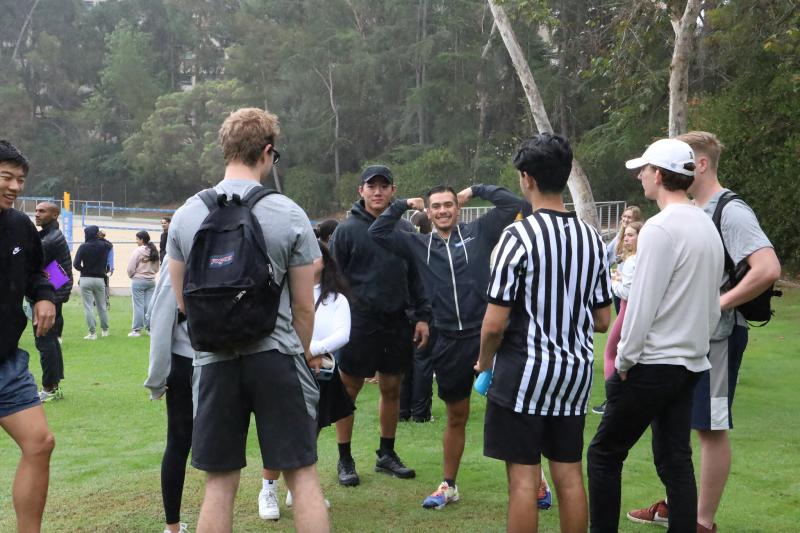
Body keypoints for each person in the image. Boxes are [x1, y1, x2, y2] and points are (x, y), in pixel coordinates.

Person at [167, 107, 329, 533]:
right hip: (276, 355)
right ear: (267, 152)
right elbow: (303, 307)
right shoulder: (288, 213)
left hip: (214, 360)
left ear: (225, 149)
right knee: (303, 475)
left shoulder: (186, 215)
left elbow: (184, 302)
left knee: (219, 484)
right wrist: (303, 352)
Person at [626, 132, 781, 533]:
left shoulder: (731, 210)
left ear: (701, 165)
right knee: (683, 426)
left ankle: (701, 520)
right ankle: (678, 506)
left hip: (718, 336)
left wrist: (719, 304)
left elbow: (767, 268)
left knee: (710, 427)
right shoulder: (694, 210)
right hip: (691, 340)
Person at [476, 133, 612, 533]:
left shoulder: (517, 236)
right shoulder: (591, 238)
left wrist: (484, 361)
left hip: (524, 373)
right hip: (574, 374)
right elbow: (604, 320)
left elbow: (494, 323)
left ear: (526, 178)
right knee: (569, 474)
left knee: (523, 479)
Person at [587, 138, 724, 533]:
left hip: (653, 363)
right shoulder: (704, 223)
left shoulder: (661, 229)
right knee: (673, 457)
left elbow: (642, 305)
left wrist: (624, 361)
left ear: (660, 175)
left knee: (604, 454)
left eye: (645, 169)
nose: (641, 175)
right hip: (690, 363)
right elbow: (712, 304)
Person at [369, 182, 523, 509]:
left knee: (512, 411)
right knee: (457, 414)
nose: (442, 211)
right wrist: (400, 204)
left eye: (448, 205)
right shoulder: (417, 243)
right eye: (435, 206)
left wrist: (477, 189)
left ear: (458, 207)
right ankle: (449, 485)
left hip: (488, 336)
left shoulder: (479, 232)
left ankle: (534, 483)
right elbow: (378, 233)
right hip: (447, 340)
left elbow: (514, 205)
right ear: (427, 211)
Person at [329, 164, 431, 488]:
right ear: (360, 191)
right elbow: (332, 279)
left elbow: (417, 278)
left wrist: (423, 317)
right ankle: (345, 459)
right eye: (371, 186)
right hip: (358, 322)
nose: (377, 192)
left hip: (397, 320)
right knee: (348, 390)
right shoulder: (345, 231)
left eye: (383, 186)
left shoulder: (404, 231)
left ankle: (386, 454)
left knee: (392, 388)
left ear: (393, 190)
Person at [258, 242, 354, 520]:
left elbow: (343, 333)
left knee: (311, 430)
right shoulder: (280, 293)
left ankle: (298, 487)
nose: (309, 260)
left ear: (325, 261)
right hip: (285, 370)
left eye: (315, 255)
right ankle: (268, 489)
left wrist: (313, 350)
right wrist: (304, 351)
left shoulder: (336, 299)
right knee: (279, 432)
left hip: (320, 374)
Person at [0, 140, 57, 533]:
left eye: (20, 180)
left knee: (40, 443)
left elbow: (49, 270)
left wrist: (47, 295)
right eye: (6, 177)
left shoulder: (23, 227)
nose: (16, 188)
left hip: (8, 361)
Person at [144, 256, 193, 533]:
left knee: (177, 442)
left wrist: (156, 379)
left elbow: (162, 316)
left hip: (187, 358)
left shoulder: (181, 245)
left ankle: (172, 526)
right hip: (228, 359)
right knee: (223, 447)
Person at [592, 220, 643, 415]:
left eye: (631, 235)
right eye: (625, 235)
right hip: (633, 310)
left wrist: (612, 282)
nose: (626, 239)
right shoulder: (643, 259)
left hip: (626, 309)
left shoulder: (632, 260)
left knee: (610, 353)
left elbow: (627, 292)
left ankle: (612, 400)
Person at [32, 201, 73, 401]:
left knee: (44, 340)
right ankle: (53, 385)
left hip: (51, 294)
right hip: (54, 291)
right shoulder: (48, 235)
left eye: (42, 211)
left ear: (55, 215)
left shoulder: (51, 239)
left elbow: (29, 260)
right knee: (51, 339)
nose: (37, 214)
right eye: (36, 210)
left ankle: (49, 388)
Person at [399, 209, 434, 423]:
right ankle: (420, 412)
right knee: (422, 361)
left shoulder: (407, 249)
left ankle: (403, 411)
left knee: (406, 363)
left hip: (405, 309)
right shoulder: (429, 248)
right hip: (422, 310)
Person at [74, 225, 113, 339]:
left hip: (86, 278)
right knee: (102, 305)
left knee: (88, 306)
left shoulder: (83, 247)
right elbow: (109, 244)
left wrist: (83, 270)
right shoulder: (104, 246)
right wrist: (101, 237)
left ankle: (92, 333)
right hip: (100, 279)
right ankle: (105, 330)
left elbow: (76, 264)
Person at [605, 205, 642, 313]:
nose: (625, 219)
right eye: (624, 216)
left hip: (630, 286)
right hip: (619, 285)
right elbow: (607, 255)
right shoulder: (619, 237)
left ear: (636, 220)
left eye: (629, 217)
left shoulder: (640, 238)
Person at [126, 230, 159, 337]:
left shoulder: (138, 251)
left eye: (137, 239)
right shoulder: (154, 250)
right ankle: (150, 328)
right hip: (151, 281)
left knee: (138, 306)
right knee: (149, 306)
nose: (136, 241)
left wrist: (132, 275)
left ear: (142, 240)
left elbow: (131, 267)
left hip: (138, 281)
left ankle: (136, 330)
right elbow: (157, 267)